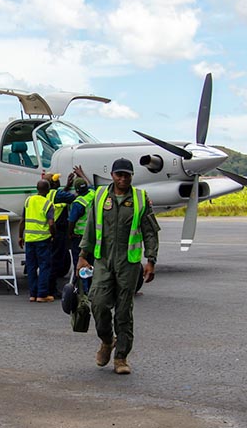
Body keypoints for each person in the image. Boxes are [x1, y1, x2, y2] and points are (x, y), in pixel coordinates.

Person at [76, 158, 160, 375]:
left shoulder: (141, 199)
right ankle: (106, 340)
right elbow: (90, 228)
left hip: (128, 263)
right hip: (103, 261)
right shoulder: (100, 196)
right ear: (112, 175)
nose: (123, 179)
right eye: (119, 174)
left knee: (124, 312)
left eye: (127, 175)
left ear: (132, 176)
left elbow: (150, 232)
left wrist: (151, 260)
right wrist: (83, 255)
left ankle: (121, 357)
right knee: (99, 305)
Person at [18, 179, 55, 302]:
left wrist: (20, 236)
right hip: (43, 239)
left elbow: (23, 220)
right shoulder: (48, 204)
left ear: (37, 189)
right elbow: (51, 223)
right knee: (44, 267)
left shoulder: (28, 200)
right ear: (48, 191)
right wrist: (53, 235)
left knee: (31, 267)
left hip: (29, 239)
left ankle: (32, 294)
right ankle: (42, 294)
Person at [46, 172, 77, 298]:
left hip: (51, 231)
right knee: (56, 261)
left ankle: (47, 287)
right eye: (56, 180)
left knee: (51, 260)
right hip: (59, 231)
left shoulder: (49, 193)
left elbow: (60, 195)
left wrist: (67, 186)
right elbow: (74, 197)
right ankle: (51, 289)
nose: (59, 181)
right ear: (53, 183)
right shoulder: (58, 194)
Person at [68, 176, 95, 292]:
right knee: (92, 263)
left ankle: (83, 290)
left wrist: (70, 234)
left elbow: (72, 221)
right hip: (93, 236)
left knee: (80, 264)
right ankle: (92, 288)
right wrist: (81, 174)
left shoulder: (78, 203)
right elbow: (91, 185)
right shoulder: (93, 194)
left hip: (80, 237)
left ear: (76, 190)